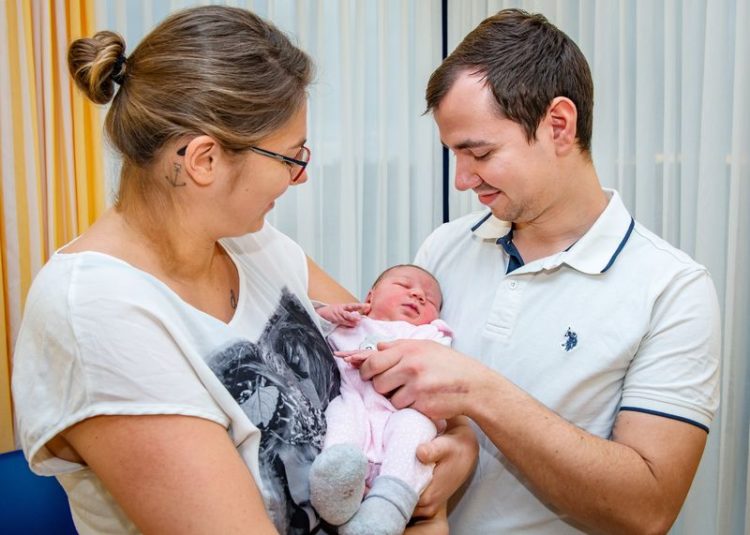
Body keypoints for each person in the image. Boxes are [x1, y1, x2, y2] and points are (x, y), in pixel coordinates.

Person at [10, 6, 476, 535]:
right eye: (290, 156)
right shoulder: (95, 315)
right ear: (204, 160)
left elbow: (399, 362)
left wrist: (459, 449)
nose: (301, 177)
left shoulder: (254, 242)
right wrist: (427, 516)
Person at [353, 9, 722, 535]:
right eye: (453, 155)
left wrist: (482, 392)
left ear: (558, 126)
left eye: (478, 152)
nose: (461, 180)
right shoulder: (443, 248)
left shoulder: (673, 289)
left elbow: (649, 507)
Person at [309, 265, 452, 534]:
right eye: (404, 285)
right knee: (340, 414)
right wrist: (327, 314)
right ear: (370, 297)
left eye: (430, 299)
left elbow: (437, 368)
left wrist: (383, 358)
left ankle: (387, 508)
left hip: (400, 412)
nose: (419, 295)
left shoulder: (429, 335)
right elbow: (305, 328)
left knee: (416, 428)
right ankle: (335, 486)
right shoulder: (353, 322)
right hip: (355, 402)